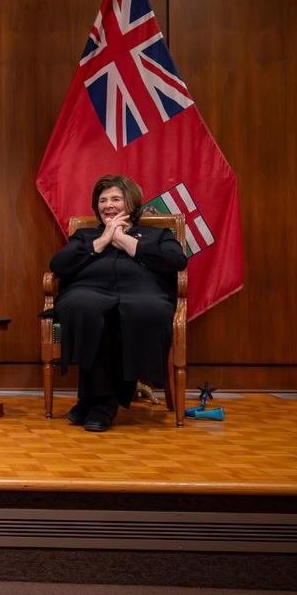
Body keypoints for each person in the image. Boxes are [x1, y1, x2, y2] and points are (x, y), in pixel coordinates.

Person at [50, 174, 188, 433]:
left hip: (142, 296)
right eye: (103, 200)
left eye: (116, 198)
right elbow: (58, 265)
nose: (108, 205)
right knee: (85, 307)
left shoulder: (157, 235)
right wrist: (103, 240)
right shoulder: (85, 236)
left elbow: (176, 262)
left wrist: (124, 240)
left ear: (132, 204)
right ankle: (101, 403)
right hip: (88, 292)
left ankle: (95, 402)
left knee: (130, 312)